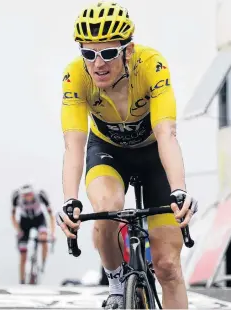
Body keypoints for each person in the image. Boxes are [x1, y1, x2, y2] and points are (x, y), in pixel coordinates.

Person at [56, 2, 199, 309]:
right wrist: (69, 199)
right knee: (107, 207)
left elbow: (167, 135)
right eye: (88, 53)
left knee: (168, 267)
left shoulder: (151, 65)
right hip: (108, 151)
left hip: (152, 156)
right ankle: (117, 281)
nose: (98, 64)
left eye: (108, 53)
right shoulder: (75, 76)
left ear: (128, 51)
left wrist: (179, 190)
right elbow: (74, 145)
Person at [11, 184, 55, 284]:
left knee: (43, 238)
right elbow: (13, 216)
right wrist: (18, 230)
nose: (27, 197)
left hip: (39, 219)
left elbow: (51, 215)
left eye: (29, 194)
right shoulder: (16, 197)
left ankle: (43, 262)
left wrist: (52, 233)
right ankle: (22, 280)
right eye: (25, 195)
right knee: (23, 254)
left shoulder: (41, 196)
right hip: (24, 221)